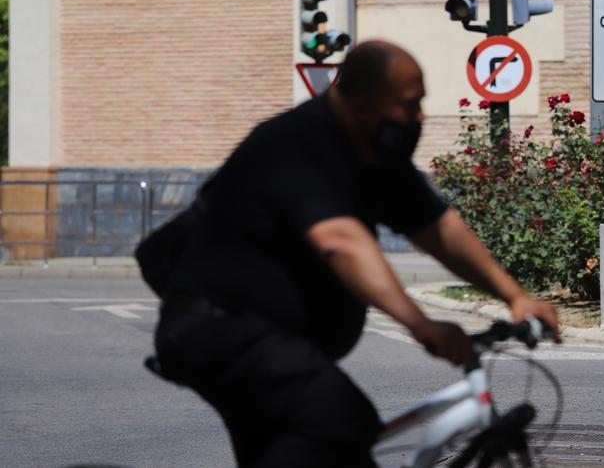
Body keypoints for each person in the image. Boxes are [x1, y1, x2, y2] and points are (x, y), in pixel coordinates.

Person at [151, 40, 560, 467]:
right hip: (220, 329)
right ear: (362, 104)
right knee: (341, 421)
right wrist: (420, 325)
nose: (419, 117)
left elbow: (439, 229)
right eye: (409, 104)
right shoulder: (299, 142)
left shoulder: (377, 158)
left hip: (275, 341)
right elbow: (340, 242)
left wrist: (515, 297)